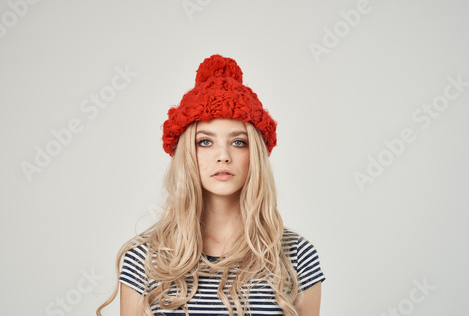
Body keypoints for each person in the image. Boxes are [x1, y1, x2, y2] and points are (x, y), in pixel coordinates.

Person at [96, 54, 326, 316]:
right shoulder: (143, 258)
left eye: (239, 142)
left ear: (256, 155)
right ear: (186, 153)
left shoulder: (296, 256)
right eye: (205, 141)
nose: (223, 155)